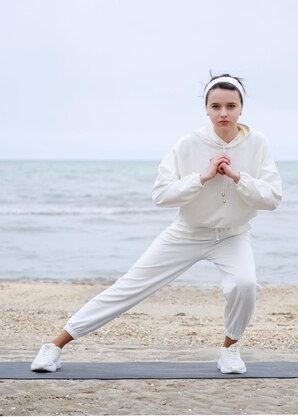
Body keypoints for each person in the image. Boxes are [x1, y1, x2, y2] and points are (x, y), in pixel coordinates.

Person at [30, 73, 282, 374]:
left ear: (241, 108)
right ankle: (54, 346)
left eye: (231, 106)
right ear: (207, 109)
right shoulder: (189, 143)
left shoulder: (258, 143)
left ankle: (230, 349)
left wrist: (238, 177)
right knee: (129, 287)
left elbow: (272, 198)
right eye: (216, 106)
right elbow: (161, 194)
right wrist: (203, 178)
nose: (223, 113)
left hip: (233, 236)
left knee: (245, 285)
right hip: (187, 233)